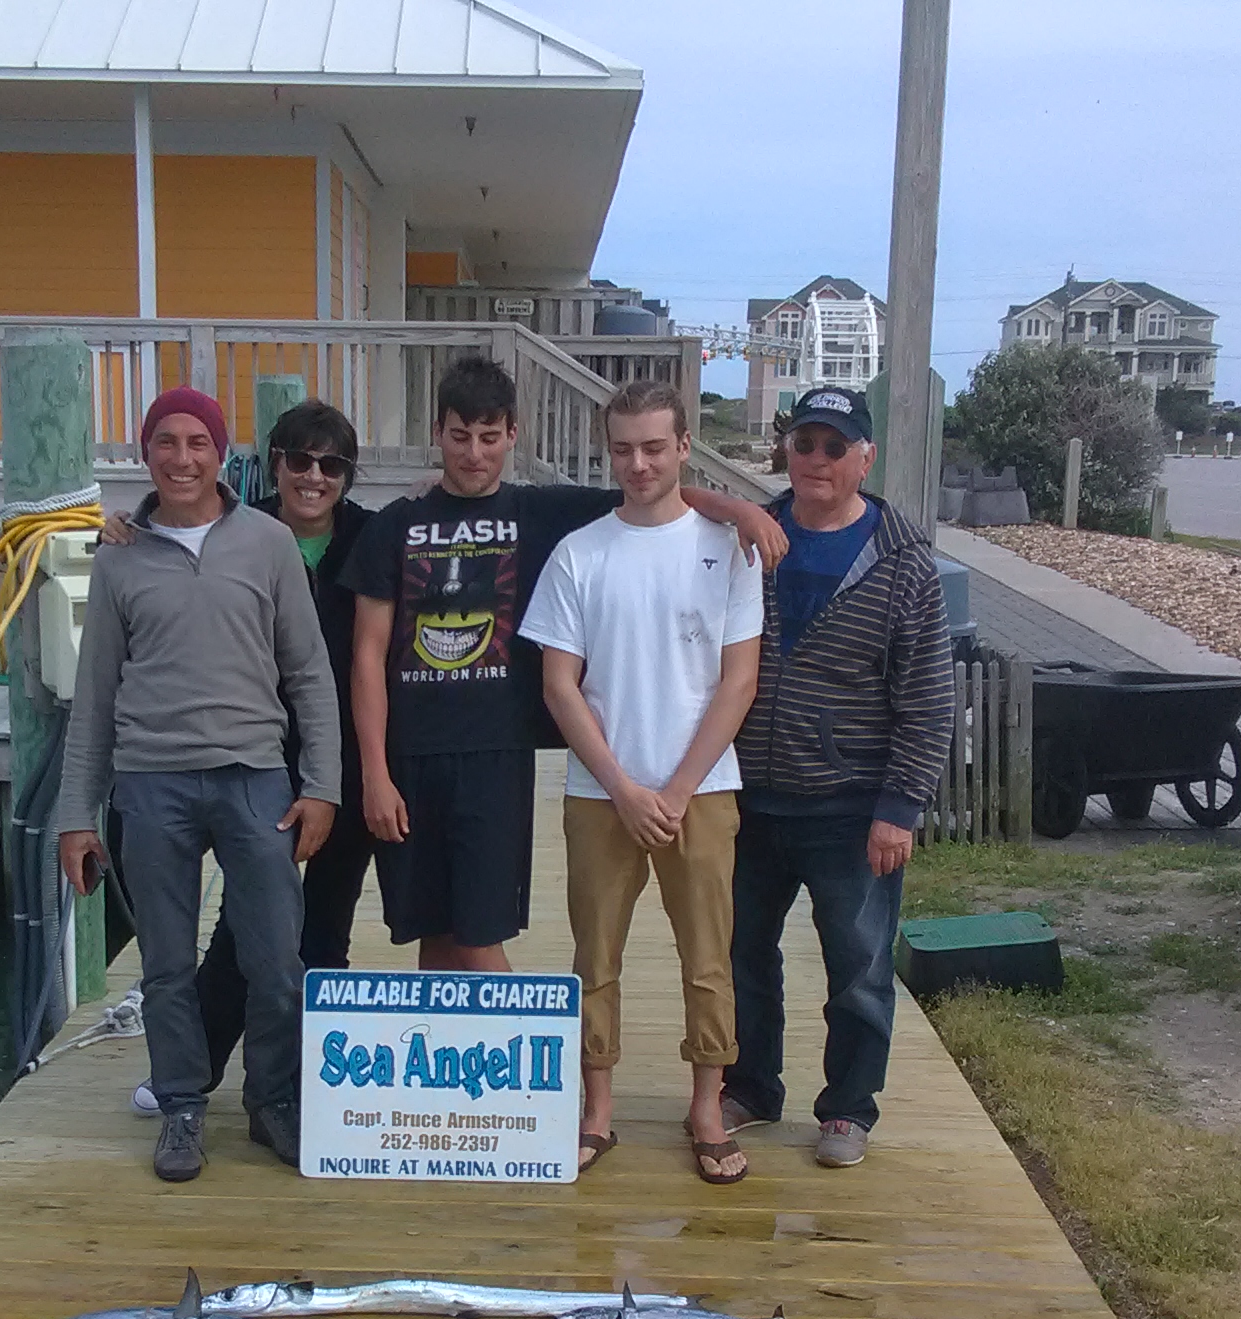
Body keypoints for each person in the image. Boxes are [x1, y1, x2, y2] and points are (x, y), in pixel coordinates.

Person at [340, 356, 783, 970]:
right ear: (436, 434)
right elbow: (367, 656)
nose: (474, 453)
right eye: (460, 436)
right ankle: (458, 1063)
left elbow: (652, 490)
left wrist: (740, 510)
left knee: (479, 932)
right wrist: (374, 774)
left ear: (512, 437)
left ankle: (516, 1058)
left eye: (490, 438)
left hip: (498, 754)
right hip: (409, 755)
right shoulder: (394, 526)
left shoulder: (543, 513)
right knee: (431, 933)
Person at [54, 386, 339, 1184]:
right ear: (146, 454)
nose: (183, 458)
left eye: (198, 443)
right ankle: (181, 1105)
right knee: (167, 964)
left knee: (276, 959)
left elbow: (309, 674)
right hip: (151, 785)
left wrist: (323, 786)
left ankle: (271, 1100)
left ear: (222, 453)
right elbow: (96, 696)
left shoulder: (270, 544)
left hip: (255, 776)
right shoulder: (118, 555)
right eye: (166, 443)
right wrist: (77, 814)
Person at [520, 381, 765, 1182]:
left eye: (655, 446)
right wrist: (624, 786)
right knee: (595, 957)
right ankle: (598, 1109)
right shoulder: (579, 553)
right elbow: (561, 685)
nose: (638, 463)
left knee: (709, 957)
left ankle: (706, 1103)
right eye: (623, 448)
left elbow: (739, 681)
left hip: (704, 786)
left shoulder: (731, 549)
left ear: (684, 446)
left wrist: (680, 786)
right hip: (601, 794)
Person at [724, 384, 953, 1168]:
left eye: (834, 445)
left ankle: (849, 1107)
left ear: (866, 458)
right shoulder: (746, 537)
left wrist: (900, 806)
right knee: (739, 952)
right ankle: (751, 1085)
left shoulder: (906, 565)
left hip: (852, 806)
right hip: (748, 795)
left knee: (857, 966)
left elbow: (927, 696)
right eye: (803, 442)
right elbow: (657, 488)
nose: (815, 458)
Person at [191, 401, 375, 1086]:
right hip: (258, 758)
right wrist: (125, 528)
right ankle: (199, 1069)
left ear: (348, 475)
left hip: (344, 761)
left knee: (326, 930)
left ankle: (308, 1081)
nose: (314, 477)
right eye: (300, 460)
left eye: (331, 465)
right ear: (275, 463)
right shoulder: (238, 530)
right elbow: (170, 538)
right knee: (242, 928)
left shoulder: (373, 537)